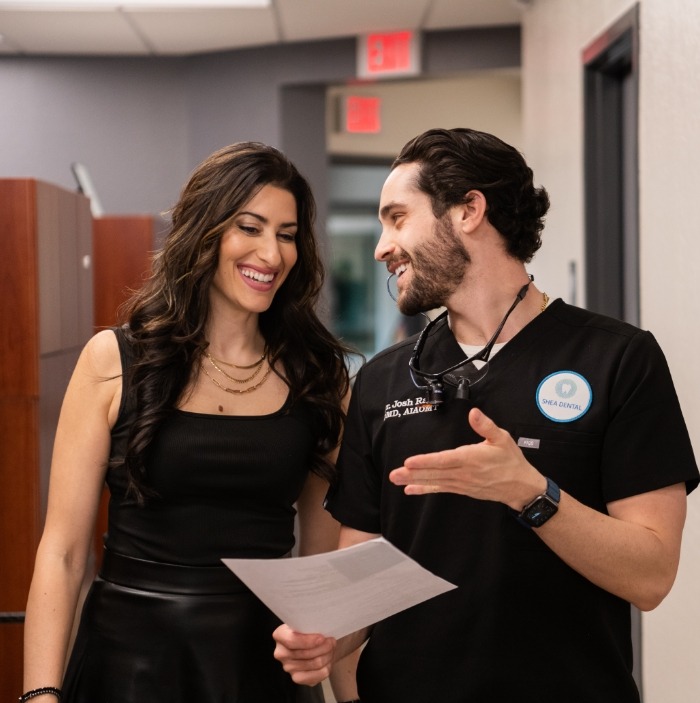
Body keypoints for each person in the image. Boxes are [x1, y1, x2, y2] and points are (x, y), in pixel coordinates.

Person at [272, 127, 699, 702]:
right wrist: (325, 639)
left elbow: (650, 576)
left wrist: (530, 493)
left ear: (469, 209)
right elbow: (364, 574)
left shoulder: (617, 359)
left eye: (397, 217)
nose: (381, 246)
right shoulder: (383, 379)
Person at [21, 142, 360, 703]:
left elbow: (318, 568)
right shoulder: (114, 361)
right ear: (204, 232)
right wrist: (39, 695)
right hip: (126, 666)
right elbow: (62, 552)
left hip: (257, 670)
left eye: (286, 233)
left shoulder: (319, 378)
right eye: (249, 227)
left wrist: (344, 694)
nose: (271, 254)